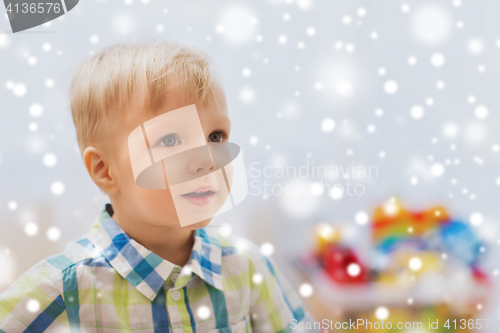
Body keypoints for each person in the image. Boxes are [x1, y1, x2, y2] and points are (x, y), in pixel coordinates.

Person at [0, 39, 312, 332]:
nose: (206, 160)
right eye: (170, 140)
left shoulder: (247, 268)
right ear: (104, 170)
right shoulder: (63, 286)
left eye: (215, 137)